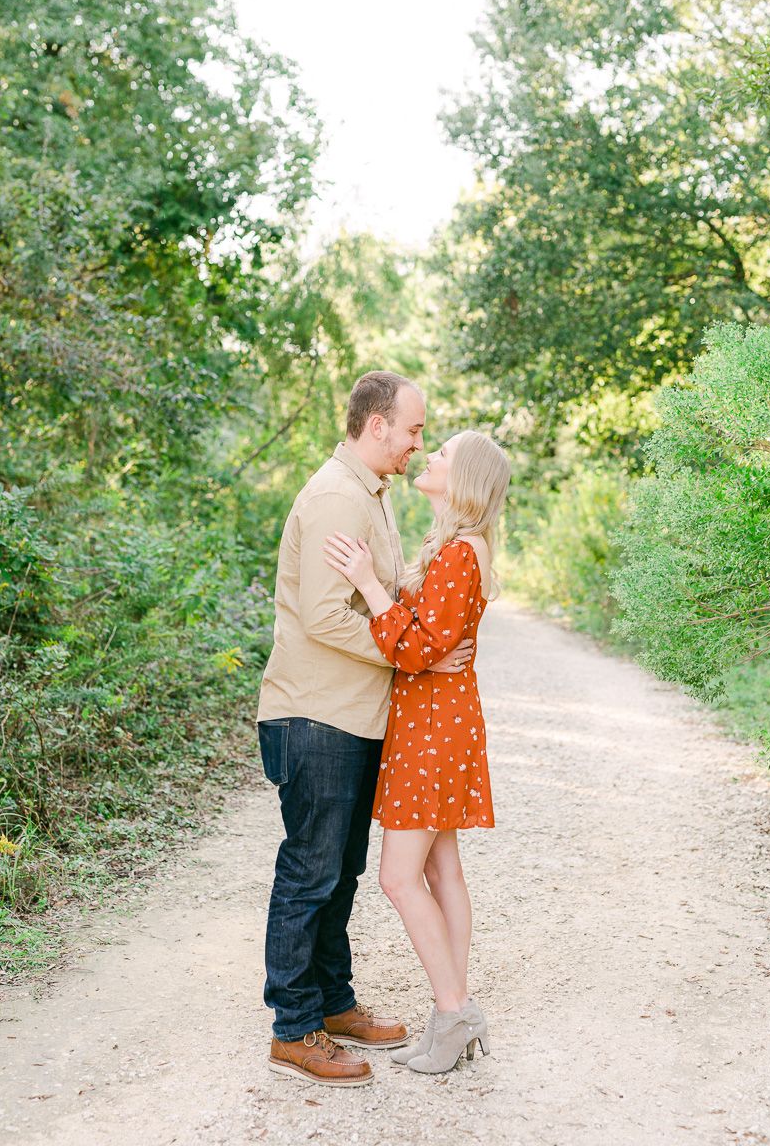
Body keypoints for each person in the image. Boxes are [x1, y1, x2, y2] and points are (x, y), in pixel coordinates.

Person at [256, 371, 474, 1087]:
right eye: (413, 430)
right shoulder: (333, 498)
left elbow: (388, 599)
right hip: (315, 713)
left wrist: (426, 634)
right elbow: (323, 616)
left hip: (354, 714)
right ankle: (294, 1028)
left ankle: (333, 1002)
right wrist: (409, 647)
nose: (418, 442)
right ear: (377, 425)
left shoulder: (372, 495)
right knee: (310, 872)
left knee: (340, 871)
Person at [324, 429, 511, 1075]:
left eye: (444, 454)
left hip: (434, 728)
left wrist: (367, 584)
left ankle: (455, 1012)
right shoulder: (454, 548)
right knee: (441, 872)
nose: (430, 456)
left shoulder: (461, 553)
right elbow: (429, 640)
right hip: (438, 720)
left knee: (399, 877)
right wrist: (418, 629)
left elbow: (415, 649)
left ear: (466, 481)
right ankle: (450, 1015)